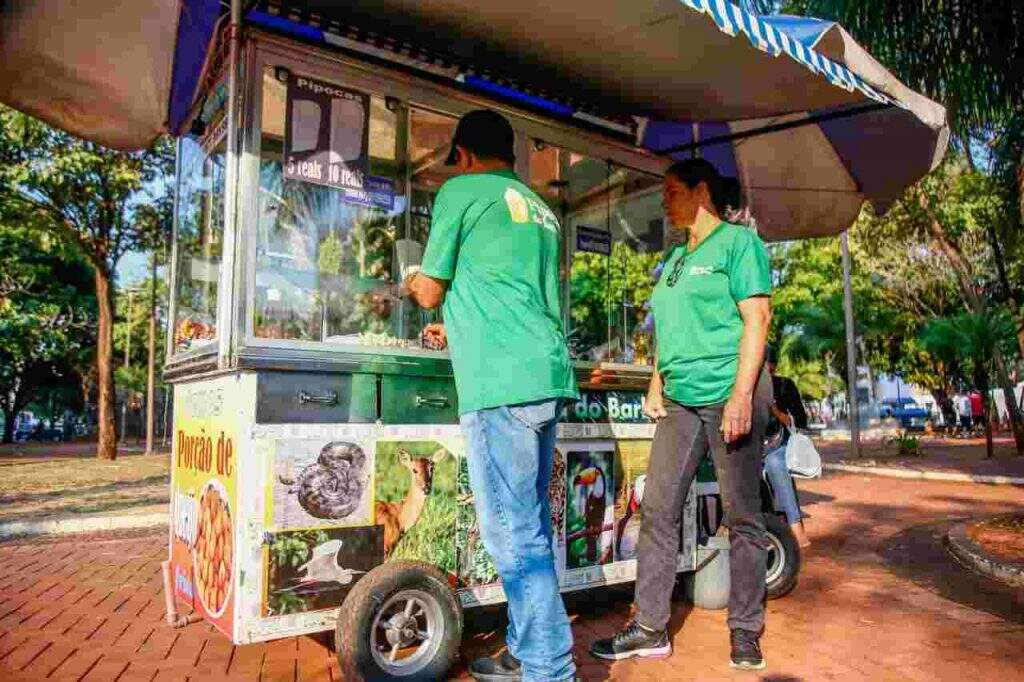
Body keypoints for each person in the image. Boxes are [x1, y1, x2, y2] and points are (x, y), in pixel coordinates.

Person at [402, 109, 579, 682]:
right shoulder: (543, 212)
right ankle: (529, 652)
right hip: (544, 375)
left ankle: (551, 670)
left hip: (500, 384)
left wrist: (411, 280)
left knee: (513, 534)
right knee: (531, 529)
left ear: (464, 155)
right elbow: (521, 298)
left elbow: (430, 289)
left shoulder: (461, 192)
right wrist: (462, 324)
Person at [590, 159, 773, 670]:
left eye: (672, 192)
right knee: (658, 508)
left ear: (701, 191)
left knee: (743, 517)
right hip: (681, 399)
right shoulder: (672, 259)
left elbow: (756, 317)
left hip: (729, 391)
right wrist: (656, 380)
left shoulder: (739, 245)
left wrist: (741, 395)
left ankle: (745, 630)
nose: (664, 202)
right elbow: (667, 329)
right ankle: (650, 627)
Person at [763, 347, 811, 548]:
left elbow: (801, 420)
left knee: (775, 463)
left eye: (768, 367)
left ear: (773, 366)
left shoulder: (784, 385)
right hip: (751, 448)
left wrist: (775, 411)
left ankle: (795, 524)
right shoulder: (742, 388)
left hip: (778, 444)